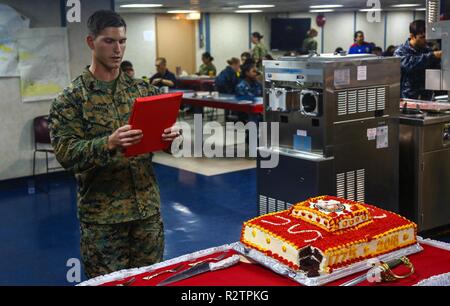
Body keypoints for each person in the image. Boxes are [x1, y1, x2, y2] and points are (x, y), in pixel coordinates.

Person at [48, 10, 181, 279]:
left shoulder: (143, 92)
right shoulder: (71, 99)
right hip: (103, 220)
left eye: (122, 41)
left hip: (146, 212)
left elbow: (164, 145)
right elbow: (65, 155)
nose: (117, 49)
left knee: (149, 280)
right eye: (109, 41)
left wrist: (170, 141)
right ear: (90, 42)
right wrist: (108, 143)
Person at [394, 20, 442, 100]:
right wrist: (433, 56)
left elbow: (436, 70)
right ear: (412, 36)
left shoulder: (427, 50)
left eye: (426, 37)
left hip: (427, 98)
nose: (425, 40)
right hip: (408, 98)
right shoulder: (401, 52)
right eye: (422, 37)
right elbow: (410, 65)